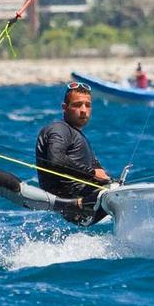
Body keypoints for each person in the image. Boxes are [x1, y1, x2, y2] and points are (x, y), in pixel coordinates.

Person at [35, 82, 112, 225]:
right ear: (65, 107)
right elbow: (55, 160)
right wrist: (92, 173)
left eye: (87, 105)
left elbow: (99, 173)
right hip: (77, 204)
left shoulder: (78, 135)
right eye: (77, 105)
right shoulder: (59, 129)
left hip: (87, 207)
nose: (83, 110)